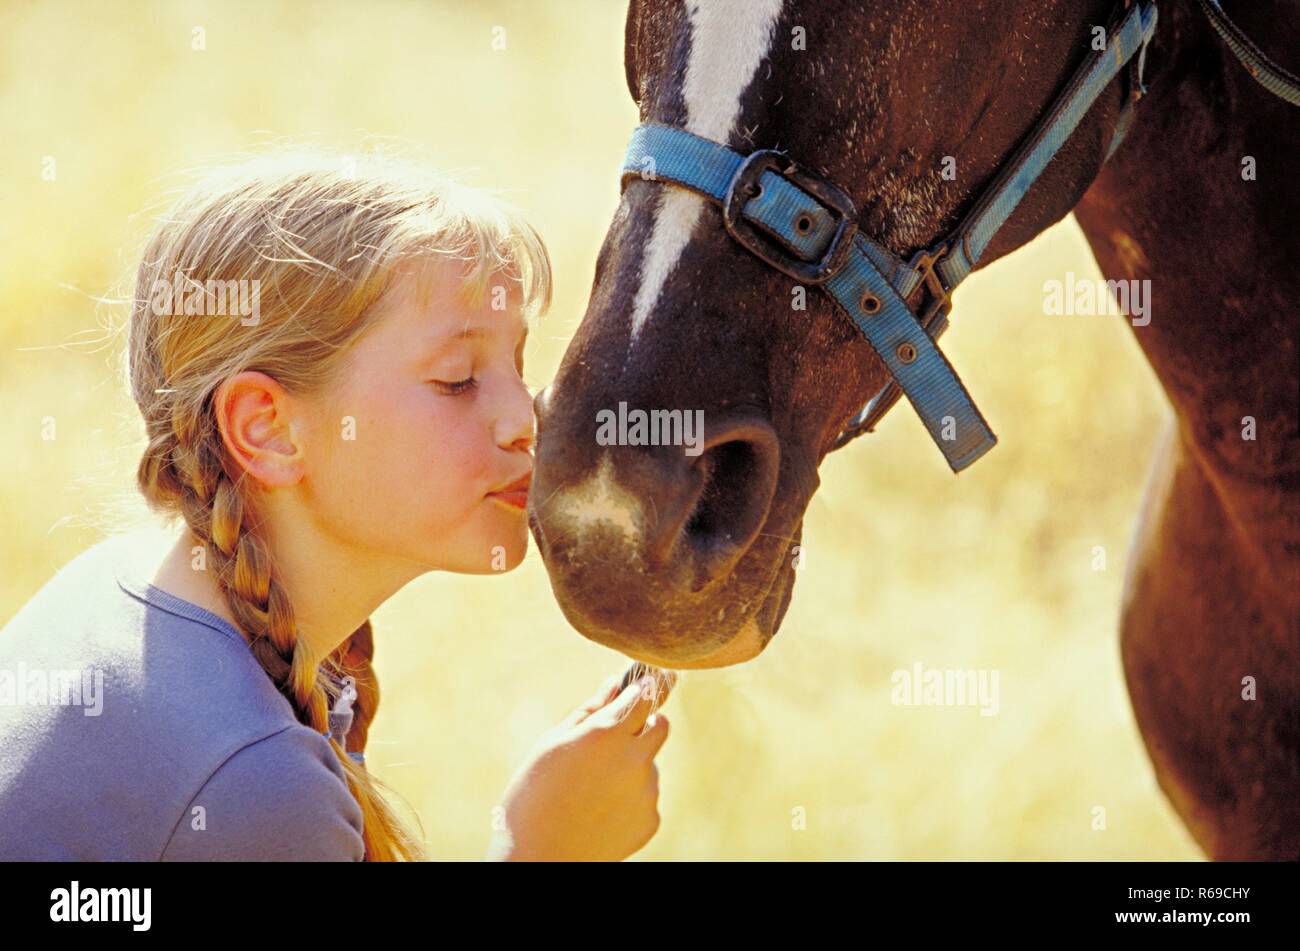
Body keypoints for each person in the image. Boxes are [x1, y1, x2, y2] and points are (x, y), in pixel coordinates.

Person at [0, 149, 672, 861]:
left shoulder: (112, 585)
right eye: (456, 379)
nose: (523, 419)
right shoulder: (255, 785)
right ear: (267, 426)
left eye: (519, 363)